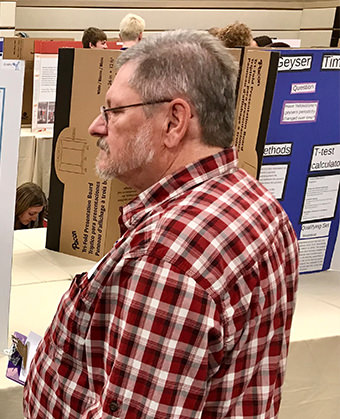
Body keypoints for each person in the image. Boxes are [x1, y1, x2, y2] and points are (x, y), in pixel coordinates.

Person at [24, 30, 298, 418]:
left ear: (174, 121)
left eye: (114, 111)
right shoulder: (259, 205)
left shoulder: (168, 257)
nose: (96, 126)